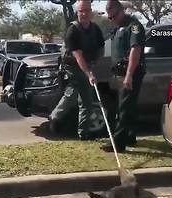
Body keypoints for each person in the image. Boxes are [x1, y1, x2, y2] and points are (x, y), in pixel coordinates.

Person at [48, 0, 105, 140]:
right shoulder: (73, 30)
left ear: (91, 12)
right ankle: (57, 119)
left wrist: (94, 63)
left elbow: (101, 49)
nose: (84, 13)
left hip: (87, 66)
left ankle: (79, 131)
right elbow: (78, 56)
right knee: (80, 95)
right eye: (81, 11)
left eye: (87, 10)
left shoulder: (95, 29)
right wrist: (89, 73)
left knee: (79, 97)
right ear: (77, 13)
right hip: (73, 67)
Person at [101, 0, 146, 153]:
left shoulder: (133, 26)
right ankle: (130, 137)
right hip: (120, 73)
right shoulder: (118, 28)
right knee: (129, 106)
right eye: (109, 17)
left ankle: (118, 144)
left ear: (120, 11)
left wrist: (129, 76)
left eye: (112, 16)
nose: (111, 19)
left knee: (124, 108)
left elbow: (136, 51)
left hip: (131, 73)